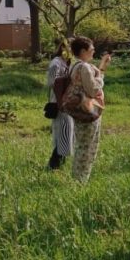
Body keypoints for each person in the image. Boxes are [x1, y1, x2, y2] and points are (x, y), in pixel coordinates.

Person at [68, 36, 111, 183]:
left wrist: (100, 68)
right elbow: (94, 90)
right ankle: (80, 181)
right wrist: (101, 75)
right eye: (91, 49)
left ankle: (78, 178)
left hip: (80, 109)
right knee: (88, 146)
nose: (93, 52)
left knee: (82, 144)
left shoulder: (75, 65)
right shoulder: (84, 67)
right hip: (88, 110)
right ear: (83, 51)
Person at [45, 40, 73, 171]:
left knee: (67, 132)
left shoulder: (67, 62)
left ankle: (59, 162)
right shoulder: (56, 63)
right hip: (58, 102)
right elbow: (52, 83)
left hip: (67, 102)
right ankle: (54, 163)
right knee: (63, 131)